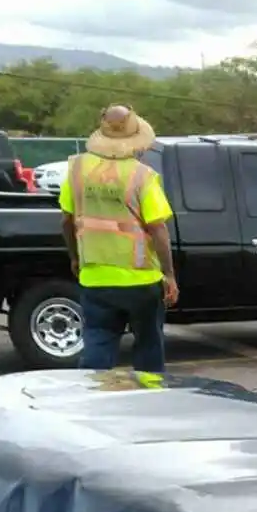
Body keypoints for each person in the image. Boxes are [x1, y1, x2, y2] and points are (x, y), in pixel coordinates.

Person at [59, 105, 179, 370]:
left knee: (98, 343)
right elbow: (158, 228)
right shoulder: (141, 176)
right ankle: (148, 399)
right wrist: (169, 275)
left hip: (95, 278)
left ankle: (92, 400)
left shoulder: (77, 169)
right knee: (148, 344)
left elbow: (67, 221)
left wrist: (75, 258)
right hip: (141, 280)